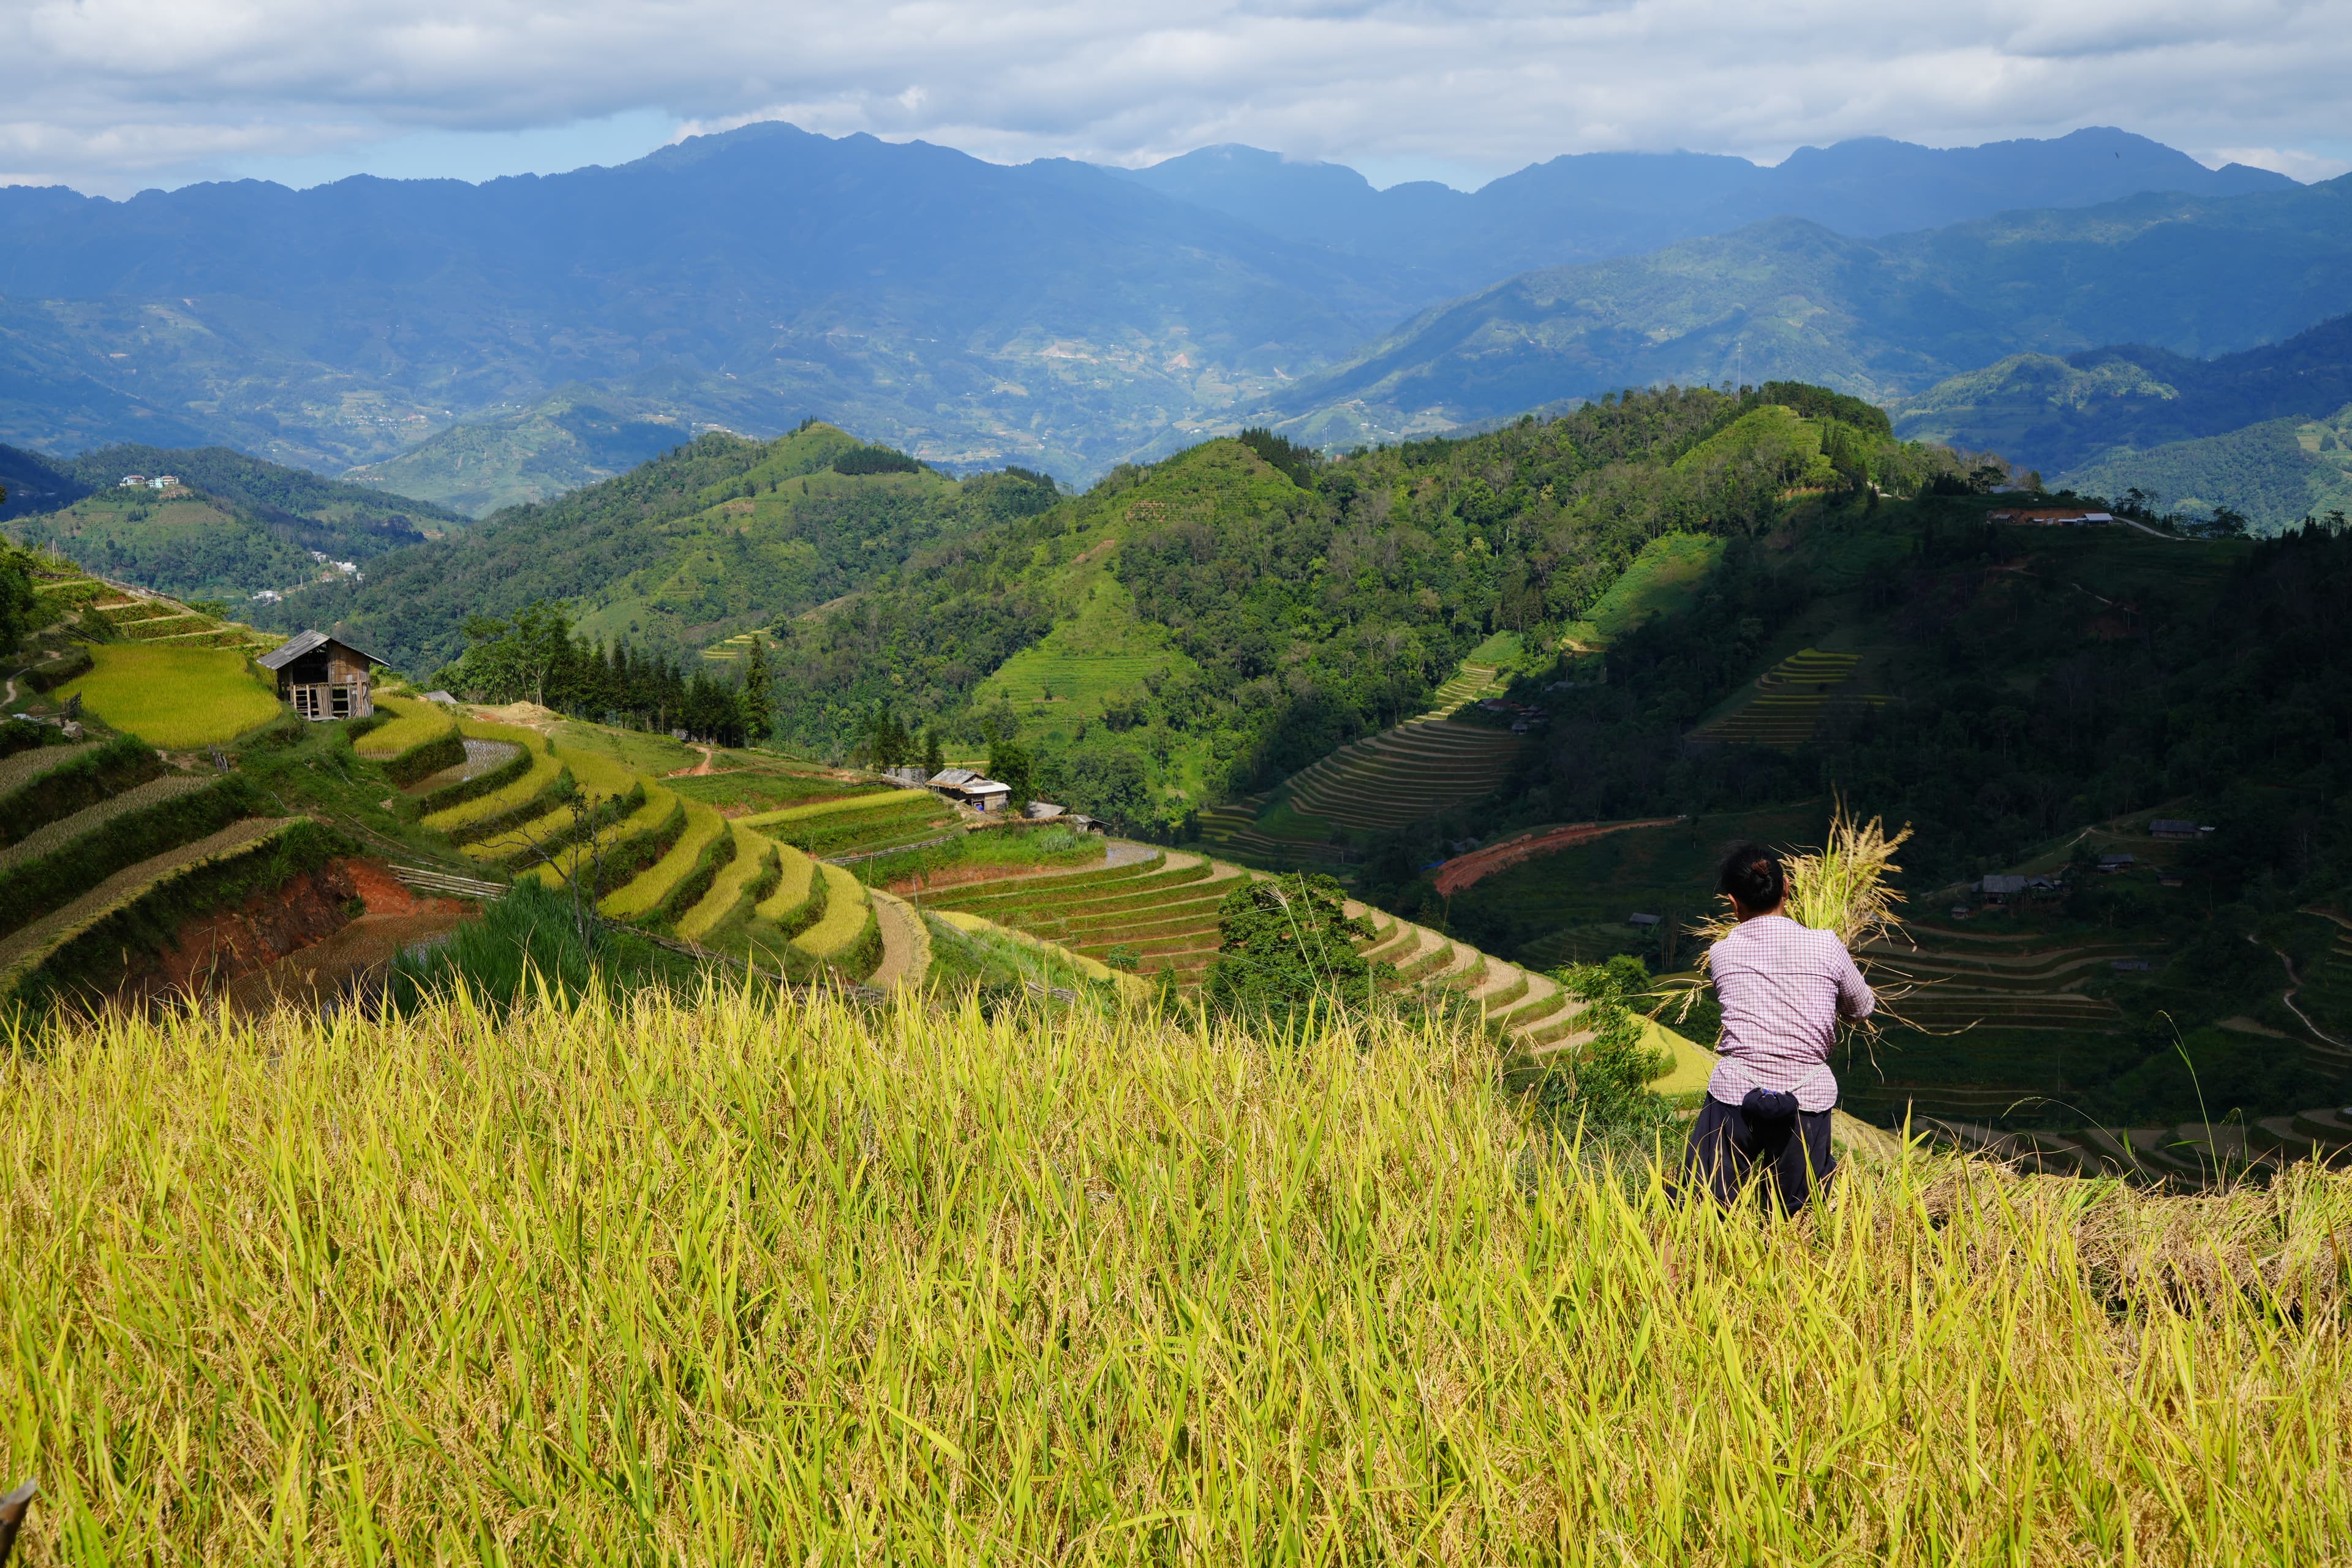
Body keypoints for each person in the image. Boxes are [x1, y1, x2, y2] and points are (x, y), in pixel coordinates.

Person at [1681, 842, 1874, 1213]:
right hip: (1807, 1099)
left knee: (1704, 1206)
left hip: (1737, 1094)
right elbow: (1864, 1006)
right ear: (1787, 889)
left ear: (1735, 904)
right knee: (1795, 1213)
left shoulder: (1722, 953)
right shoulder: (1827, 945)